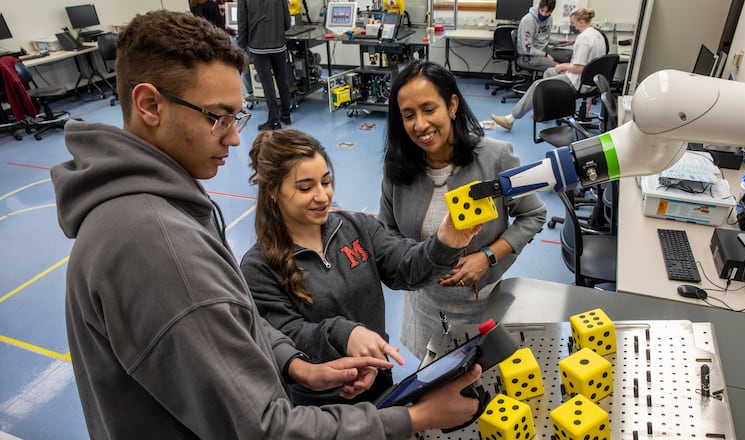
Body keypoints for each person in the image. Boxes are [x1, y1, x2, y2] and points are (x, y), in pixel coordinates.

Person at [50, 10, 482, 439]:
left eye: (236, 117)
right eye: (218, 116)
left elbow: (247, 331)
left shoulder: (163, 213)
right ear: (149, 105)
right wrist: (416, 418)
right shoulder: (156, 245)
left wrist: (297, 368)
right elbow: (265, 428)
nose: (236, 137)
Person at [240, 129, 482, 406]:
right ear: (272, 190)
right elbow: (286, 334)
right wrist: (344, 334)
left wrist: (445, 242)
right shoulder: (258, 267)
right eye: (306, 187)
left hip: (377, 376)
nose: (322, 196)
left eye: (326, 182)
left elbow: (406, 265)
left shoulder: (356, 228)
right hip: (323, 400)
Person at [379, 60, 547, 360]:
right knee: (432, 379)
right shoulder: (397, 168)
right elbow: (386, 233)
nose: (420, 125)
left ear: (452, 104)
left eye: (429, 109)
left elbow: (532, 215)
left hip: (481, 303)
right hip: (424, 304)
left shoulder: (495, 157)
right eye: (408, 115)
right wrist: (421, 261)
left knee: (480, 378)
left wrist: (488, 256)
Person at [492, 8, 606, 131]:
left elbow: (579, 68)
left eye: (573, 23)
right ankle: (544, 111)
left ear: (582, 22)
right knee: (550, 72)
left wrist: (563, 66)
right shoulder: (597, 35)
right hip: (592, 81)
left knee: (538, 85)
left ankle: (510, 119)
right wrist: (562, 67)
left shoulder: (583, 39)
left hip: (579, 82)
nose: (573, 26)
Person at [238, 0, 292, 130]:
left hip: (258, 46)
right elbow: (287, 22)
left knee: (267, 84)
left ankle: (274, 121)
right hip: (278, 45)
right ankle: (286, 114)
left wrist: (242, 44)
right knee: (282, 80)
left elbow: (242, 22)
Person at [516, 0, 568, 73]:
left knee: (570, 55)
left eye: (547, 12)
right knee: (561, 69)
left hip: (543, 49)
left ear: (551, 11)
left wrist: (558, 42)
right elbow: (527, 48)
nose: (544, 14)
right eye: (542, 10)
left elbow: (544, 37)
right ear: (539, 7)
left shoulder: (549, 19)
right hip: (528, 56)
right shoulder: (529, 20)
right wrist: (545, 55)